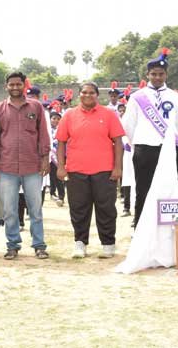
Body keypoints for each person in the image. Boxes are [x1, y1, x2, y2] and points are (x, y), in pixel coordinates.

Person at [122, 49, 178, 256]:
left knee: (172, 192)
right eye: (153, 74)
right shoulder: (137, 97)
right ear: (147, 75)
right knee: (142, 191)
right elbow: (128, 125)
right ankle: (139, 233)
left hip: (170, 150)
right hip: (144, 149)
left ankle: (177, 239)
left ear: (166, 75)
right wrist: (139, 145)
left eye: (160, 74)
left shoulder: (175, 97)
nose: (157, 77)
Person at [56, 82, 124, 259]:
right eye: (84, 92)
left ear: (97, 95)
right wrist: (61, 167)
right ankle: (80, 243)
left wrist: (118, 167)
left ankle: (108, 244)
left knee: (106, 208)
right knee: (79, 209)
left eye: (92, 92)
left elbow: (118, 143)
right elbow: (61, 142)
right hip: (76, 170)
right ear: (79, 95)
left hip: (104, 170)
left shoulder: (109, 114)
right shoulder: (69, 115)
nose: (88, 95)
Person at [0, 72, 51, 260]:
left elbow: (43, 135)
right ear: (6, 86)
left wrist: (45, 159)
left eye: (18, 84)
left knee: (35, 209)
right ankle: (12, 245)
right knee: (9, 210)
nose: (15, 87)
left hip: (33, 167)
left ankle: (39, 245)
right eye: (11, 84)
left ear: (24, 85)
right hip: (6, 168)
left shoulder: (36, 107)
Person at [49, 111, 65, 207]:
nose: (56, 120)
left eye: (58, 119)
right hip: (49, 156)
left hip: (59, 155)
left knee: (59, 176)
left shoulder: (61, 129)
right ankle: (52, 192)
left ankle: (61, 196)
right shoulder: (46, 129)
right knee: (51, 176)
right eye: (54, 118)